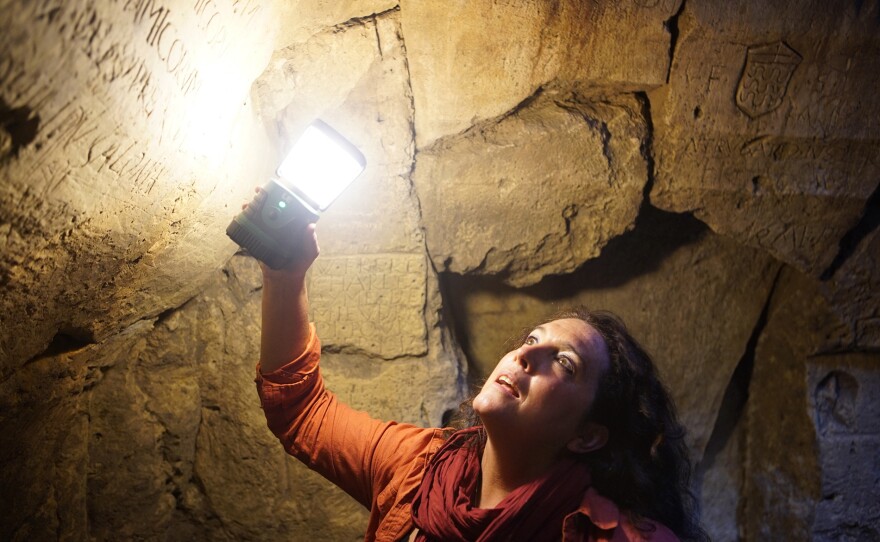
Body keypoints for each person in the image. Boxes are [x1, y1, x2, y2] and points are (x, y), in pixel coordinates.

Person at [254, 220, 706, 541]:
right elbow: (300, 411)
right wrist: (284, 275)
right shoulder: (418, 467)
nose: (526, 354)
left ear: (587, 435)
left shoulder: (617, 537)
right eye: (532, 338)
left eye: (564, 364)